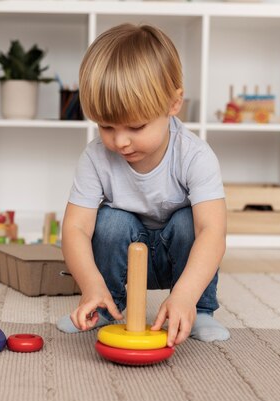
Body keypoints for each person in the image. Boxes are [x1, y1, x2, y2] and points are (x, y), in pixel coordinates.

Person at [56, 23, 230, 347]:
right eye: (106, 126)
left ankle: (201, 310)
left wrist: (185, 296)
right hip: (125, 258)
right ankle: (106, 305)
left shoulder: (195, 156)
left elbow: (213, 233)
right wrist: (91, 285)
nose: (120, 141)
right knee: (109, 221)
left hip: (178, 261)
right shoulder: (95, 158)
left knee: (190, 222)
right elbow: (75, 228)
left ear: (173, 103)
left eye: (136, 126)